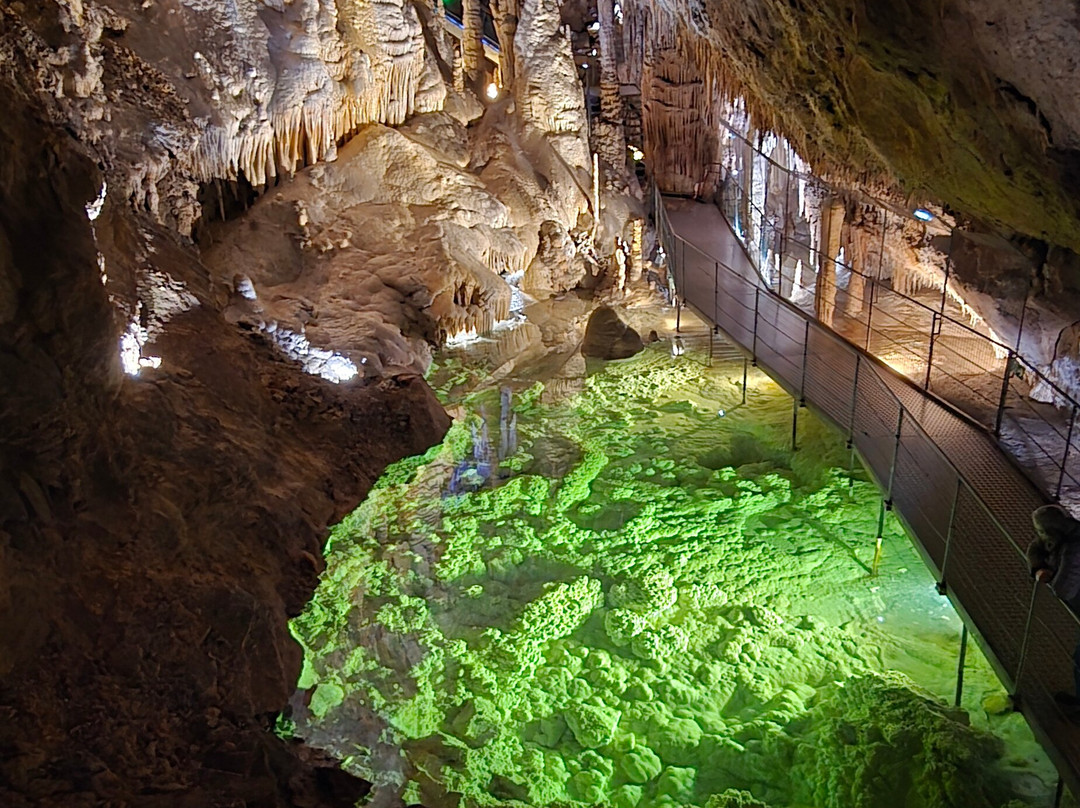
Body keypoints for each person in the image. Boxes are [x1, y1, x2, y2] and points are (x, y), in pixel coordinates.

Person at [1028, 504, 1080, 710]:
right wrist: (1038, 567)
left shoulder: (1075, 548)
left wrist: (1049, 574)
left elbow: (1064, 587)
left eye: (1041, 531)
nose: (1039, 535)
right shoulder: (1062, 533)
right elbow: (1036, 547)